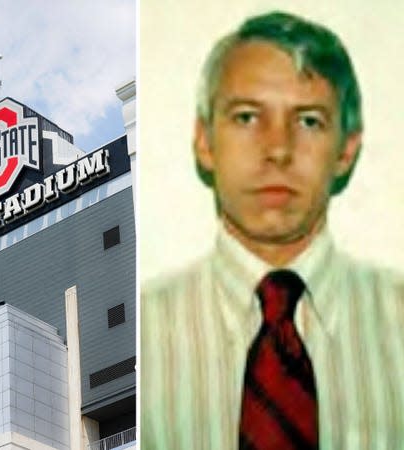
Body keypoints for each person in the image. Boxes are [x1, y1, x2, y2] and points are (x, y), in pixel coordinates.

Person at [141, 11, 404, 449]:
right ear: (205, 141)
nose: (278, 149)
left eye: (308, 121)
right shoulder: (147, 336)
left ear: (346, 149)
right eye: (246, 117)